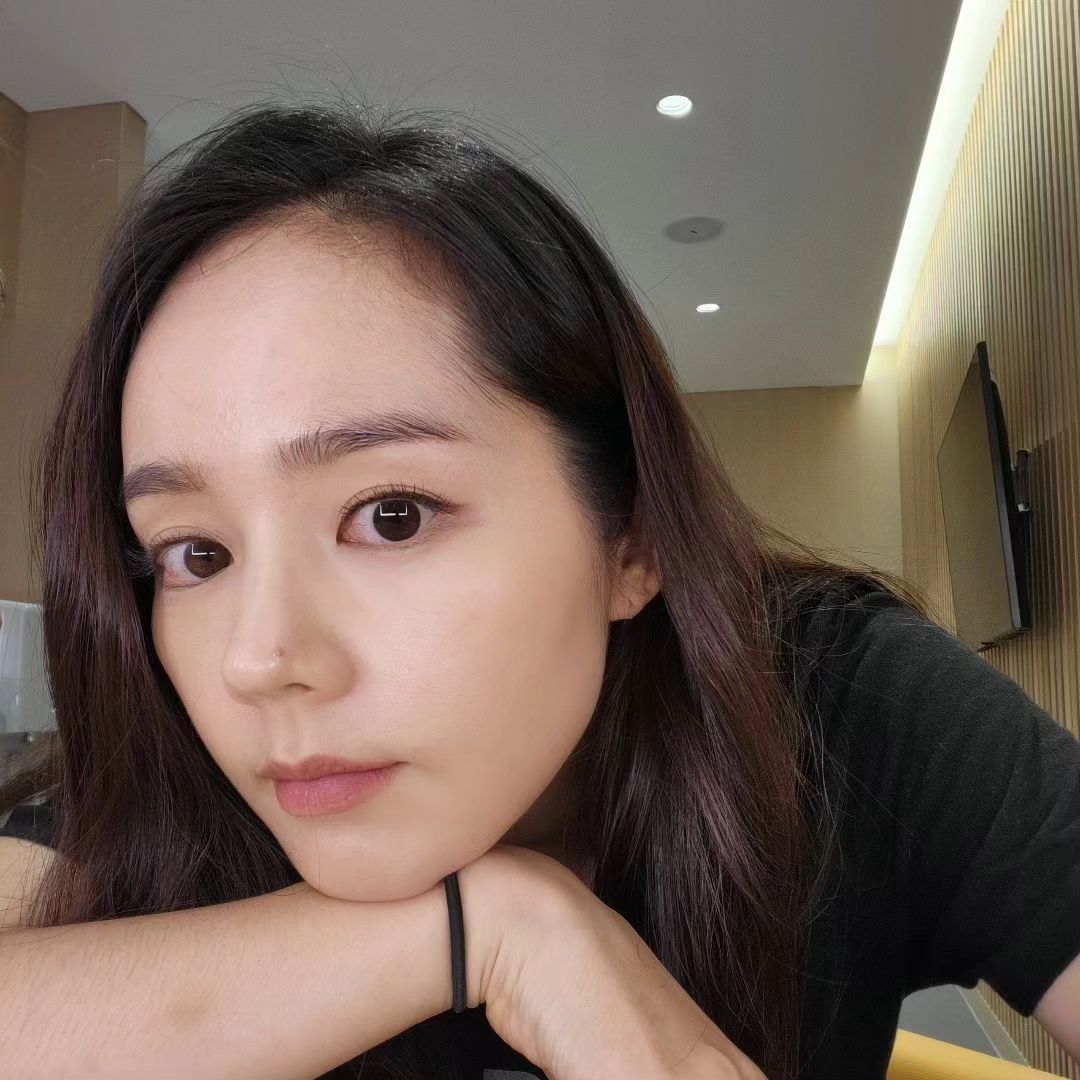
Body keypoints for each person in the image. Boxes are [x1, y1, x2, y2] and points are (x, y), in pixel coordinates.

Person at [0, 99, 1078, 1080]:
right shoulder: (162, 767)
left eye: (392, 515)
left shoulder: (833, 704)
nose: (259, 660)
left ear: (634, 539)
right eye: (196, 555)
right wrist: (488, 932)